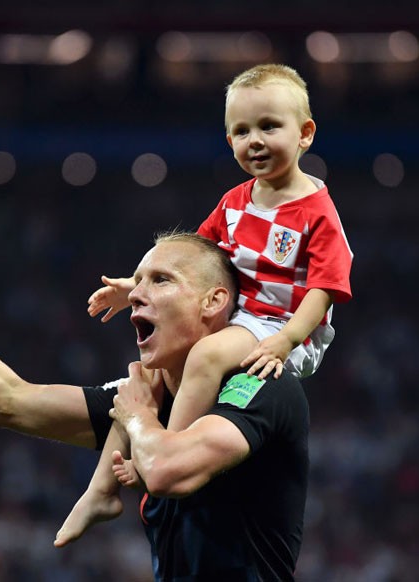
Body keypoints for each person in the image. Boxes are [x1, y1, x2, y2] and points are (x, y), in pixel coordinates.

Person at [0, 228, 310, 580]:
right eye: (137, 281)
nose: (137, 294)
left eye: (161, 280)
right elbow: (4, 400)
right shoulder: (147, 396)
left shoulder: (261, 384)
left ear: (213, 302)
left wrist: (137, 416)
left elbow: (165, 469)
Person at [54, 63, 353, 547]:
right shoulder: (236, 200)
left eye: (269, 126)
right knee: (149, 369)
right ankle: (100, 490)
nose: (254, 140)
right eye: (240, 131)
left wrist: (285, 340)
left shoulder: (318, 212)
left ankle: (164, 457)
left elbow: (325, 290)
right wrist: (133, 287)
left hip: (285, 325)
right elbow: (191, 259)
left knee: (204, 355)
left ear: (305, 134)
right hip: (241, 316)